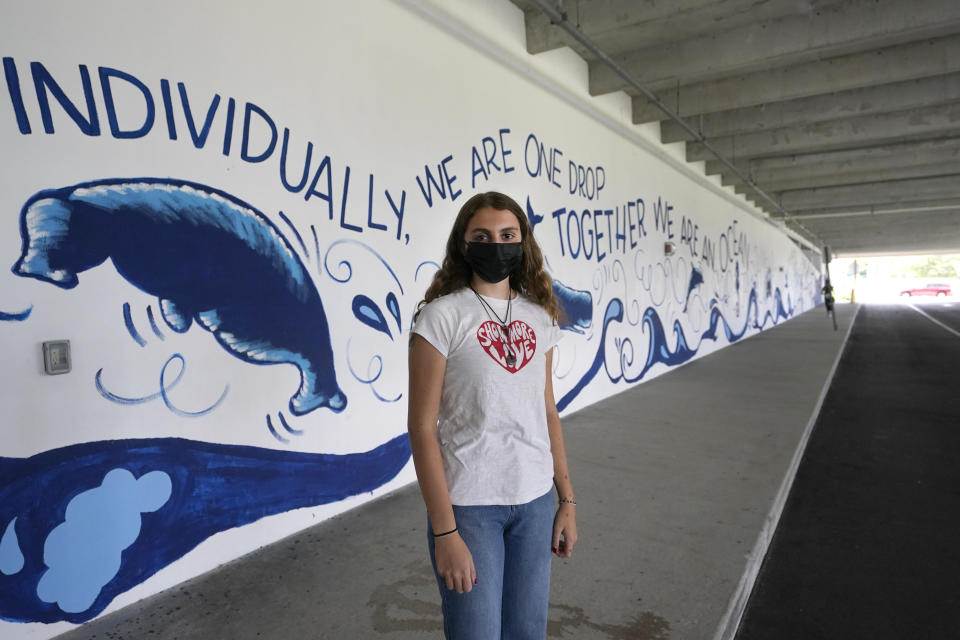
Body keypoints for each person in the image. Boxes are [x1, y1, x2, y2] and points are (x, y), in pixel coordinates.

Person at [408, 191, 578, 639]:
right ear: (463, 244)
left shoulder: (539, 316)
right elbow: (422, 428)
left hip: (536, 502)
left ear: (523, 244)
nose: (496, 244)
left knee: (527, 633)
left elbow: (547, 411)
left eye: (508, 235)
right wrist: (446, 534)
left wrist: (567, 500)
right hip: (470, 508)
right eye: (482, 235)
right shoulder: (441, 318)